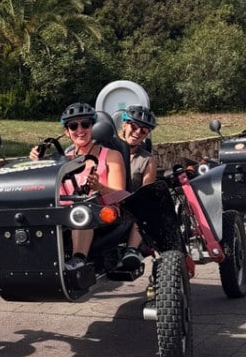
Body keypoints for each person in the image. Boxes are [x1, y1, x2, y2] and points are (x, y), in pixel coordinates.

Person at [29, 102, 126, 269]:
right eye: (73, 126)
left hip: (103, 211)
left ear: (93, 127)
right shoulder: (62, 159)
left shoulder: (111, 155)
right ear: (67, 132)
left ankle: (78, 260)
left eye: (85, 124)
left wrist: (99, 188)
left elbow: (121, 194)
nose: (80, 130)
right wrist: (37, 164)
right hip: (65, 213)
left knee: (82, 208)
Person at [119, 104, 158, 268]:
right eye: (134, 126)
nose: (137, 133)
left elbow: (146, 191)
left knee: (144, 204)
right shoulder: (105, 151)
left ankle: (132, 249)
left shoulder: (146, 160)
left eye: (143, 131)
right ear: (124, 125)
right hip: (104, 204)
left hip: (130, 207)